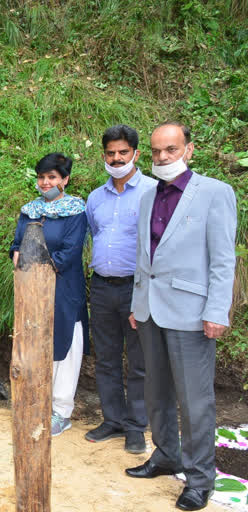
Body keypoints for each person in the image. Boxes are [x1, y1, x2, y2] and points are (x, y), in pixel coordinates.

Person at [126, 122, 237, 512]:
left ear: (189, 149)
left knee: (195, 401)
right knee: (156, 392)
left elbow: (223, 260)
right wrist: (138, 304)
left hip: (192, 314)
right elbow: (145, 257)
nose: (162, 158)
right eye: (156, 152)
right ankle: (166, 456)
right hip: (150, 310)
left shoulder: (214, 194)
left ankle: (200, 478)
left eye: (170, 150)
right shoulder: (146, 197)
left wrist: (216, 310)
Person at [84, 125, 157, 453]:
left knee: (139, 361)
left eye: (123, 153)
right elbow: (94, 232)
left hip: (137, 289)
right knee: (107, 358)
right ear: (104, 156)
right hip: (100, 288)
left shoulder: (153, 193)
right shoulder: (95, 198)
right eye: (111, 153)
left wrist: (143, 293)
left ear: (136, 154)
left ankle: (136, 427)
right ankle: (112, 420)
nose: (116, 159)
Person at [10, 153, 88, 436]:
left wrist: (36, 261)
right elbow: (16, 244)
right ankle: (38, 402)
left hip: (64, 290)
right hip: (31, 291)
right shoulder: (29, 210)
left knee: (65, 346)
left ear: (65, 180)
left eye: (52, 177)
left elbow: (69, 251)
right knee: (35, 343)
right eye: (42, 177)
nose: (46, 182)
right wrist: (18, 255)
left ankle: (61, 410)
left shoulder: (75, 211)